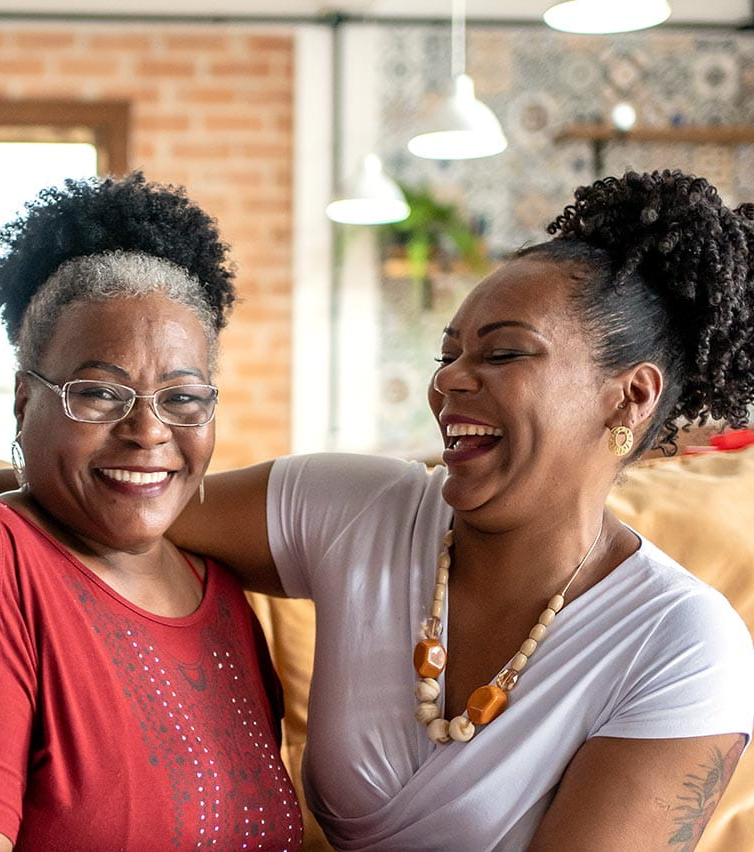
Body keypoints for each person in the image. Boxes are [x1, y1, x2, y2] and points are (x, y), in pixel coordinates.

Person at [168, 170, 754, 850]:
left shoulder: (682, 644)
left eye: (502, 353)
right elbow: (108, 495)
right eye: (447, 355)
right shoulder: (362, 510)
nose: (446, 380)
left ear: (630, 397)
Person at [0, 174, 304, 851]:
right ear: (22, 403)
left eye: (182, 398)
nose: (148, 432)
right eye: (99, 393)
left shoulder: (225, 596)